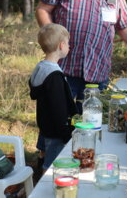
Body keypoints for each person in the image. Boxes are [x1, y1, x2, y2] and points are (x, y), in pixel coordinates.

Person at [29, 24, 77, 172]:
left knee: (48, 160)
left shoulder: (41, 67)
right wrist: (65, 133)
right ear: (61, 46)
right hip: (56, 131)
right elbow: (58, 108)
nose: (69, 46)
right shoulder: (54, 75)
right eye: (68, 43)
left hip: (46, 127)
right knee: (52, 167)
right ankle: (45, 191)